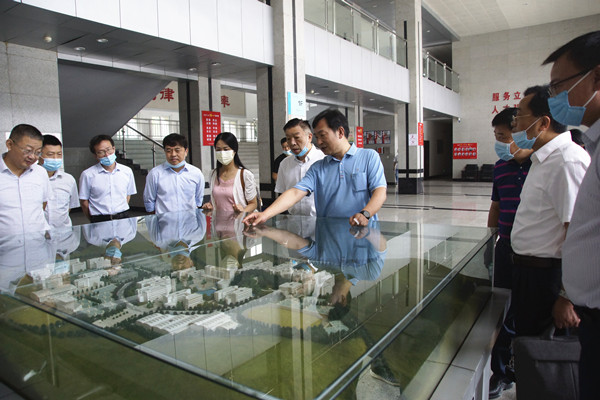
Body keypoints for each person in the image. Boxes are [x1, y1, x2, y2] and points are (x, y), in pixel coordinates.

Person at [543, 31, 600, 400]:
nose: (554, 98)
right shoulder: (594, 145)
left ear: (596, 77)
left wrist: (565, 293)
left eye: (558, 86)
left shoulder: (570, 159)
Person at [510, 85, 590, 339]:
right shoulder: (542, 159)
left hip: (549, 279)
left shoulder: (567, 162)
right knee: (526, 342)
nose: (514, 124)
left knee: (543, 350)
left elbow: (579, 235)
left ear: (543, 123)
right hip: (530, 275)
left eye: (519, 116)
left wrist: (566, 297)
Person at [244, 109, 387, 227]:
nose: (319, 142)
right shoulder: (318, 167)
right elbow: (295, 193)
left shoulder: (368, 157)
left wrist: (365, 213)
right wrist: (265, 214)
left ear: (340, 132)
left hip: (363, 234)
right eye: (317, 137)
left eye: (322, 135)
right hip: (329, 238)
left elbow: (379, 191)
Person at [487, 107, 533, 398]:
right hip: (506, 248)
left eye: (503, 136)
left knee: (528, 314)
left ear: (520, 134)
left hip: (534, 253)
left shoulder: (540, 165)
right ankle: (501, 372)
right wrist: (489, 241)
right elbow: (496, 205)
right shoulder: (500, 167)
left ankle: (530, 370)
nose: (499, 142)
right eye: (496, 136)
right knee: (503, 312)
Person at [0, 124, 50, 235]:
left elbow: (43, 204)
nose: (32, 157)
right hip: (6, 244)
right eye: (28, 150)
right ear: (10, 144)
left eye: (37, 152)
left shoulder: (40, 173)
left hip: (38, 242)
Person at [79, 135, 137, 223]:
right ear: (95, 155)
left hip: (123, 218)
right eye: (101, 152)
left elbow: (127, 195)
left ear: (113, 149)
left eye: (108, 149)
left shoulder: (127, 171)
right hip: (99, 219)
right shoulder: (88, 175)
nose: (106, 155)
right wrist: (93, 220)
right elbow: (84, 202)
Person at [143, 133, 205, 214]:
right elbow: (149, 202)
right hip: (164, 221)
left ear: (186, 151)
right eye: (168, 151)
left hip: (189, 220)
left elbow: (198, 200)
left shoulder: (196, 173)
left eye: (177, 150)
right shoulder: (155, 174)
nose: (173, 154)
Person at [274, 119, 325, 216]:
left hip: (319, 220)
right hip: (293, 220)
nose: (292, 143)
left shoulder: (323, 160)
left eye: (297, 137)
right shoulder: (284, 164)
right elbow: (282, 194)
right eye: (288, 138)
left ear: (309, 137)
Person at [201, 132, 258, 213]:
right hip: (219, 220)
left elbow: (253, 204)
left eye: (226, 149)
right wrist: (210, 205)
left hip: (239, 220)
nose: (222, 153)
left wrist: (243, 211)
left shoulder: (245, 175)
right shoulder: (213, 174)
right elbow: (217, 200)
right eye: (218, 149)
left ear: (234, 151)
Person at [38, 135, 79, 228]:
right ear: (39, 154)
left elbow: (69, 206)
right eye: (50, 154)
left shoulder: (69, 180)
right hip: (39, 233)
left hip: (63, 232)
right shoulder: (31, 179)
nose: (55, 158)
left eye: (59, 154)